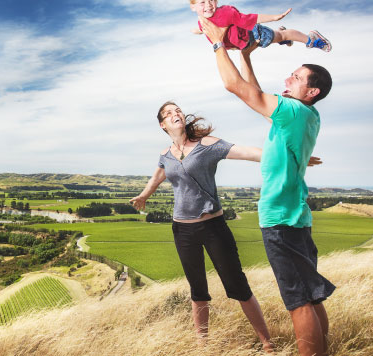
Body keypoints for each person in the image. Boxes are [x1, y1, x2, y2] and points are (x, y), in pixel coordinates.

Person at [130, 102, 317, 351]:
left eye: (177, 110)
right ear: (162, 125)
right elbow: (157, 176)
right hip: (183, 231)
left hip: (213, 227)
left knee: (237, 285)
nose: (175, 114)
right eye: (168, 113)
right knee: (197, 290)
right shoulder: (166, 154)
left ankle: (267, 343)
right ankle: (203, 345)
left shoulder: (207, 145)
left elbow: (247, 152)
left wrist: (289, 155)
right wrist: (143, 196)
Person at [199, 15, 335, 356]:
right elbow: (259, 97)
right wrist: (245, 55)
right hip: (297, 217)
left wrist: (219, 44)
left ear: (312, 90)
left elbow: (238, 89)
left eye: (297, 77)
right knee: (311, 296)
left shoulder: (291, 110)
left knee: (298, 302)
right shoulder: (306, 114)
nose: (288, 78)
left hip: (281, 218)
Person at [188, 0, 332, 52]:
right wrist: (198, 30)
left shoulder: (226, 13)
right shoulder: (203, 21)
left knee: (282, 35)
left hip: (254, 34)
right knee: (277, 37)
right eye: (202, 3)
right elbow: (209, 29)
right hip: (245, 44)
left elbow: (251, 18)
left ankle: (312, 38)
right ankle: (283, 36)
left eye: (211, 0)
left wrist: (274, 17)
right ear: (193, 6)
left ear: (216, 1)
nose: (208, 5)